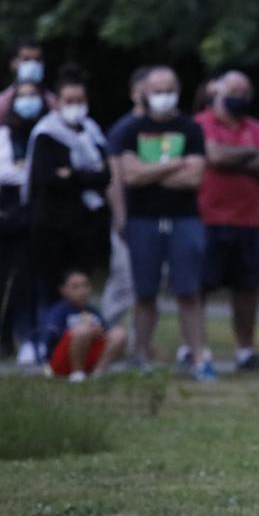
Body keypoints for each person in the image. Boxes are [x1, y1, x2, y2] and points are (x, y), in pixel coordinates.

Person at [117, 66, 214, 380]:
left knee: (189, 291)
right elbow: (130, 175)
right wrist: (175, 164)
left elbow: (194, 177)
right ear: (144, 92)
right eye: (157, 89)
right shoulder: (131, 129)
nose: (164, 96)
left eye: (169, 88)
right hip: (143, 220)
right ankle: (141, 356)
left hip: (184, 220)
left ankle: (199, 357)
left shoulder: (191, 129)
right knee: (144, 293)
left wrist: (150, 171)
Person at [196, 70, 259, 371]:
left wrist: (234, 156)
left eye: (245, 93)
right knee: (200, 286)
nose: (239, 98)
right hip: (208, 217)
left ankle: (246, 350)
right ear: (215, 91)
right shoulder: (202, 124)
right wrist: (250, 154)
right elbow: (214, 156)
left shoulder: (255, 126)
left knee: (247, 288)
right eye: (234, 91)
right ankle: (194, 347)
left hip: (249, 220)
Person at [27, 67, 112, 319]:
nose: (75, 106)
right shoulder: (46, 134)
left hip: (83, 225)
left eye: (80, 101)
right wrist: (84, 176)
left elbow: (104, 176)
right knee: (50, 282)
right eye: (69, 101)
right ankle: (48, 336)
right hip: (51, 225)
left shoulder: (92, 132)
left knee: (81, 282)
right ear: (58, 102)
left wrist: (71, 174)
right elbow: (47, 178)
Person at [0, 79, 45, 361]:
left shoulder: (47, 128)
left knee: (37, 277)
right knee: (8, 278)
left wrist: (27, 170)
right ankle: (6, 337)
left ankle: (37, 336)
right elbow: (2, 172)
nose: (29, 101)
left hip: (42, 215)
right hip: (12, 216)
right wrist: (39, 174)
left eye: (34, 95)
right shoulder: (5, 133)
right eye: (23, 96)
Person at [99, 66, 150, 326]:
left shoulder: (168, 127)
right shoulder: (123, 129)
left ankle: (138, 344)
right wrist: (120, 216)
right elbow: (113, 177)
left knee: (149, 287)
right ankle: (104, 332)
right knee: (124, 280)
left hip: (157, 218)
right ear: (133, 93)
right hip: (129, 217)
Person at [39, 270, 126, 382]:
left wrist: (98, 332)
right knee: (83, 330)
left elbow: (106, 332)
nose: (82, 291)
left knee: (119, 333)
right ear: (63, 290)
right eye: (75, 287)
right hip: (63, 359)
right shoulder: (59, 311)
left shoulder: (93, 311)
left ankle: (98, 373)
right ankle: (77, 374)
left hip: (89, 354)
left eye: (85, 285)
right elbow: (51, 337)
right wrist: (86, 331)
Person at [0, 38, 54, 154]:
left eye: (37, 60)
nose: (33, 64)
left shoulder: (55, 103)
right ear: (13, 64)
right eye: (26, 59)